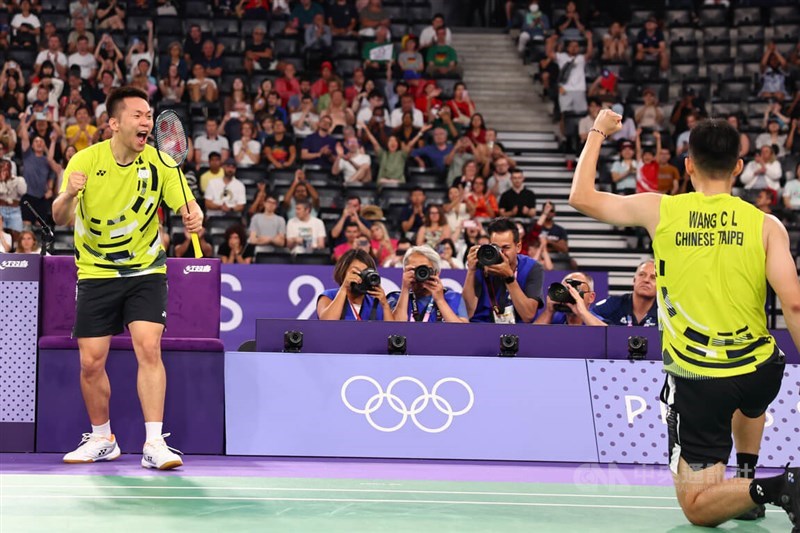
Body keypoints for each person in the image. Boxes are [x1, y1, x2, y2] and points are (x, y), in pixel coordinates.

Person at [570, 109, 800, 529]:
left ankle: (776, 488)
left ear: (688, 165)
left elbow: (581, 197)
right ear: (739, 168)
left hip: (700, 379)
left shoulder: (662, 210)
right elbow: (795, 304)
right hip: (762, 367)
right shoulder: (767, 225)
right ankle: (745, 478)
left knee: (696, 507)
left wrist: (600, 129)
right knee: (749, 405)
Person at [51, 86, 203, 470]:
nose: (147, 122)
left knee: (148, 347)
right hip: (95, 272)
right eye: (138, 115)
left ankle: (154, 443)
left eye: (149, 115)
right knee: (91, 361)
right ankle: (103, 437)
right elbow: (59, 217)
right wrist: (69, 194)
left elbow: (185, 202)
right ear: (114, 123)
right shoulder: (84, 161)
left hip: (146, 269)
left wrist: (194, 213)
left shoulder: (162, 164)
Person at [463, 217, 543, 323]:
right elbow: (466, 313)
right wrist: (471, 271)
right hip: (482, 327)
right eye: (495, 247)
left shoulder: (533, 268)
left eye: (506, 247)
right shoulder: (481, 263)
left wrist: (509, 278)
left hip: (518, 331)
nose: (501, 253)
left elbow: (528, 316)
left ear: (518, 247)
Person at [388, 245, 468, 323]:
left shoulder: (452, 297)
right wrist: (405, 289)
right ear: (405, 271)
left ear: (437, 272)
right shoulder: (395, 298)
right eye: (414, 269)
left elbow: (462, 332)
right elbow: (394, 329)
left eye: (424, 269)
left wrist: (440, 300)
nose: (420, 273)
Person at [316, 249, 394, 320]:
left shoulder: (375, 302)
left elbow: (390, 332)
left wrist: (385, 305)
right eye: (355, 272)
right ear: (343, 272)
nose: (360, 277)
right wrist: (344, 288)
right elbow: (326, 325)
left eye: (365, 272)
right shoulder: (329, 296)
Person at [593, 259, 658, 327]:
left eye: (653, 277)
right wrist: (609, 330)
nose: (646, 280)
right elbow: (592, 314)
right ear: (634, 279)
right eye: (642, 275)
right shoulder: (615, 302)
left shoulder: (664, 312)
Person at [534, 271, 606, 326]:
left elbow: (607, 335)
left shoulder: (597, 321)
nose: (571, 295)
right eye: (566, 290)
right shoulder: (555, 320)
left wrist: (582, 312)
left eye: (576, 291)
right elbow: (531, 336)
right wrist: (549, 311)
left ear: (591, 297)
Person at [0, 159, 26, 237]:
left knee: (17, 235)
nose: (5, 170)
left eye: (7, 168)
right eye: (2, 168)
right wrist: (2, 181)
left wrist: (13, 180)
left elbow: (23, 191)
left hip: (14, 210)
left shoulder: (18, 180)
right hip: (0, 210)